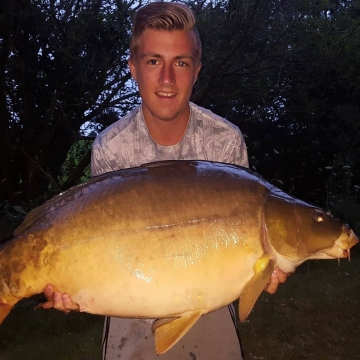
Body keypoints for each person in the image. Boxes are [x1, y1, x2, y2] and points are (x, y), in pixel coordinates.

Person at [43, 2, 288, 359]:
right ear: (133, 69)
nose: (168, 79)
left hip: (210, 300)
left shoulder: (224, 141)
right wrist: (72, 285)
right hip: (132, 299)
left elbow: (245, 245)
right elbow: (101, 242)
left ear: (197, 70)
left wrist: (263, 267)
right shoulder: (112, 146)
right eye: (154, 61)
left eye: (181, 63)